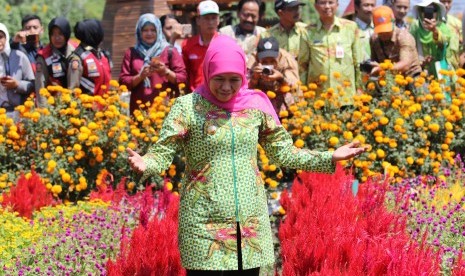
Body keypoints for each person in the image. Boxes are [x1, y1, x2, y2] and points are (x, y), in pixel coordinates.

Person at [127, 35, 366, 275]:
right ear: (208, 72)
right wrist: (145, 162)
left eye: (234, 80)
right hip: (203, 220)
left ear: (244, 76)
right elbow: (163, 151)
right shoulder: (188, 107)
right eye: (219, 79)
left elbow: (284, 152)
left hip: (248, 221)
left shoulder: (255, 106)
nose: (226, 87)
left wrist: (329, 157)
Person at [119, 13, 187, 115]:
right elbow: (123, 81)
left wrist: (165, 72)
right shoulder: (131, 53)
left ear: (158, 31)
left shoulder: (169, 51)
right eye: (145, 30)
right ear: (139, 32)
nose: (149, 33)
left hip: (165, 109)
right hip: (139, 110)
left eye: (153, 30)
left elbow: (183, 79)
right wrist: (140, 76)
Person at [298, 0, 362, 107]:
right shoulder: (307, 31)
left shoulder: (350, 28)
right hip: (318, 97)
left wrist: (360, 90)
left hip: (346, 97)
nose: (327, 6)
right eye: (322, 3)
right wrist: (302, 93)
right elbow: (302, 65)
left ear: (337, 5)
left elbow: (358, 63)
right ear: (316, 6)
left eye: (330, 2)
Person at [248, 37, 299, 113]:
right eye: (265, 62)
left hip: (281, 98)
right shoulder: (253, 61)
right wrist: (255, 78)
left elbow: (294, 85)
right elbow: (244, 87)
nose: (269, 64)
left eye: (272, 61)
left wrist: (281, 78)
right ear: (258, 57)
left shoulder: (286, 59)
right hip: (260, 99)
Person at [369, 6, 422, 78]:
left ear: (393, 23)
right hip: (389, 78)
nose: (384, 34)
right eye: (380, 31)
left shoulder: (404, 37)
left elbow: (405, 65)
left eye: (387, 30)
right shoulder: (374, 39)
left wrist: (383, 68)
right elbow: (374, 61)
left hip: (411, 77)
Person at [35, 17, 76, 106]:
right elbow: (40, 87)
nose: (57, 38)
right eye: (53, 34)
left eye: (60, 34)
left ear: (67, 34)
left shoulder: (76, 50)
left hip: (76, 105)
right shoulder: (43, 56)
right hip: (54, 107)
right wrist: (44, 113)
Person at [182, 0, 220, 92]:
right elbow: (184, 74)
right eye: (206, 18)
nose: (210, 22)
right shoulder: (187, 45)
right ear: (198, 20)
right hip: (195, 97)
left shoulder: (226, 44)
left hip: (219, 97)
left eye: (214, 18)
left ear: (218, 20)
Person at [0, 23, 35, 122]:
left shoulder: (19, 57)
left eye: (0, 37)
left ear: (6, 38)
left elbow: (32, 84)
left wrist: (17, 84)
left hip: (17, 112)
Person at [67, 19, 112, 96]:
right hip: (87, 107)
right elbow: (73, 90)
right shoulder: (78, 58)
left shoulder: (103, 55)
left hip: (105, 106)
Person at [410, 0, 451, 79]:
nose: (429, 13)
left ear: (438, 11)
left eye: (433, 10)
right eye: (424, 9)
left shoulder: (443, 27)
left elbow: (444, 43)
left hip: (440, 72)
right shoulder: (414, 28)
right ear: (419, 11)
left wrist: (434, 30)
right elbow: (409, 50)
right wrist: (421, 62)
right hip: (420, 73)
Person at [439, 0, 462, 70]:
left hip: (454, 66)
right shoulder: (431, 23)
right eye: (443, 2)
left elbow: (461, 48)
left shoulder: (457, 23)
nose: (446, 5)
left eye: (449, 2)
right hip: (437, 64)